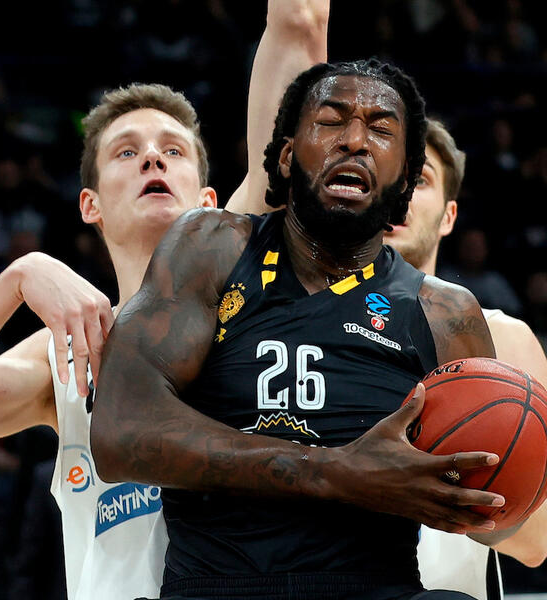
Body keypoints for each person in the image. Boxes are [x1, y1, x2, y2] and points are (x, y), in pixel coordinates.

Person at [92, 59, 520, 600]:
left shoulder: (445, 313)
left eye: (381, 129)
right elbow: (119, 432)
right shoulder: (212, 246)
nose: (355, 141)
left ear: (407, 176)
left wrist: (493, 490)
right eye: (331, 121)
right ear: (288, 155)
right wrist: (336, 472)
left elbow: (492, 515)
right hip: (218, 587)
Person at [0, 3, 331, 598]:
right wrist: (18, 277)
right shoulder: (71, 351)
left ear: (208, 200)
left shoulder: (253, 270)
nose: (153, 157)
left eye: (173, 151)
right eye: (126, 152)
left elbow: (299, 23)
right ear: (91, 205)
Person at [383, 118, 547, 600]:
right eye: (389, 175)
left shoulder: (502, 336)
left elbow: (538, 541)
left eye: (420, 180)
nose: (401, 192)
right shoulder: (311, 332)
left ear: (449, 216)